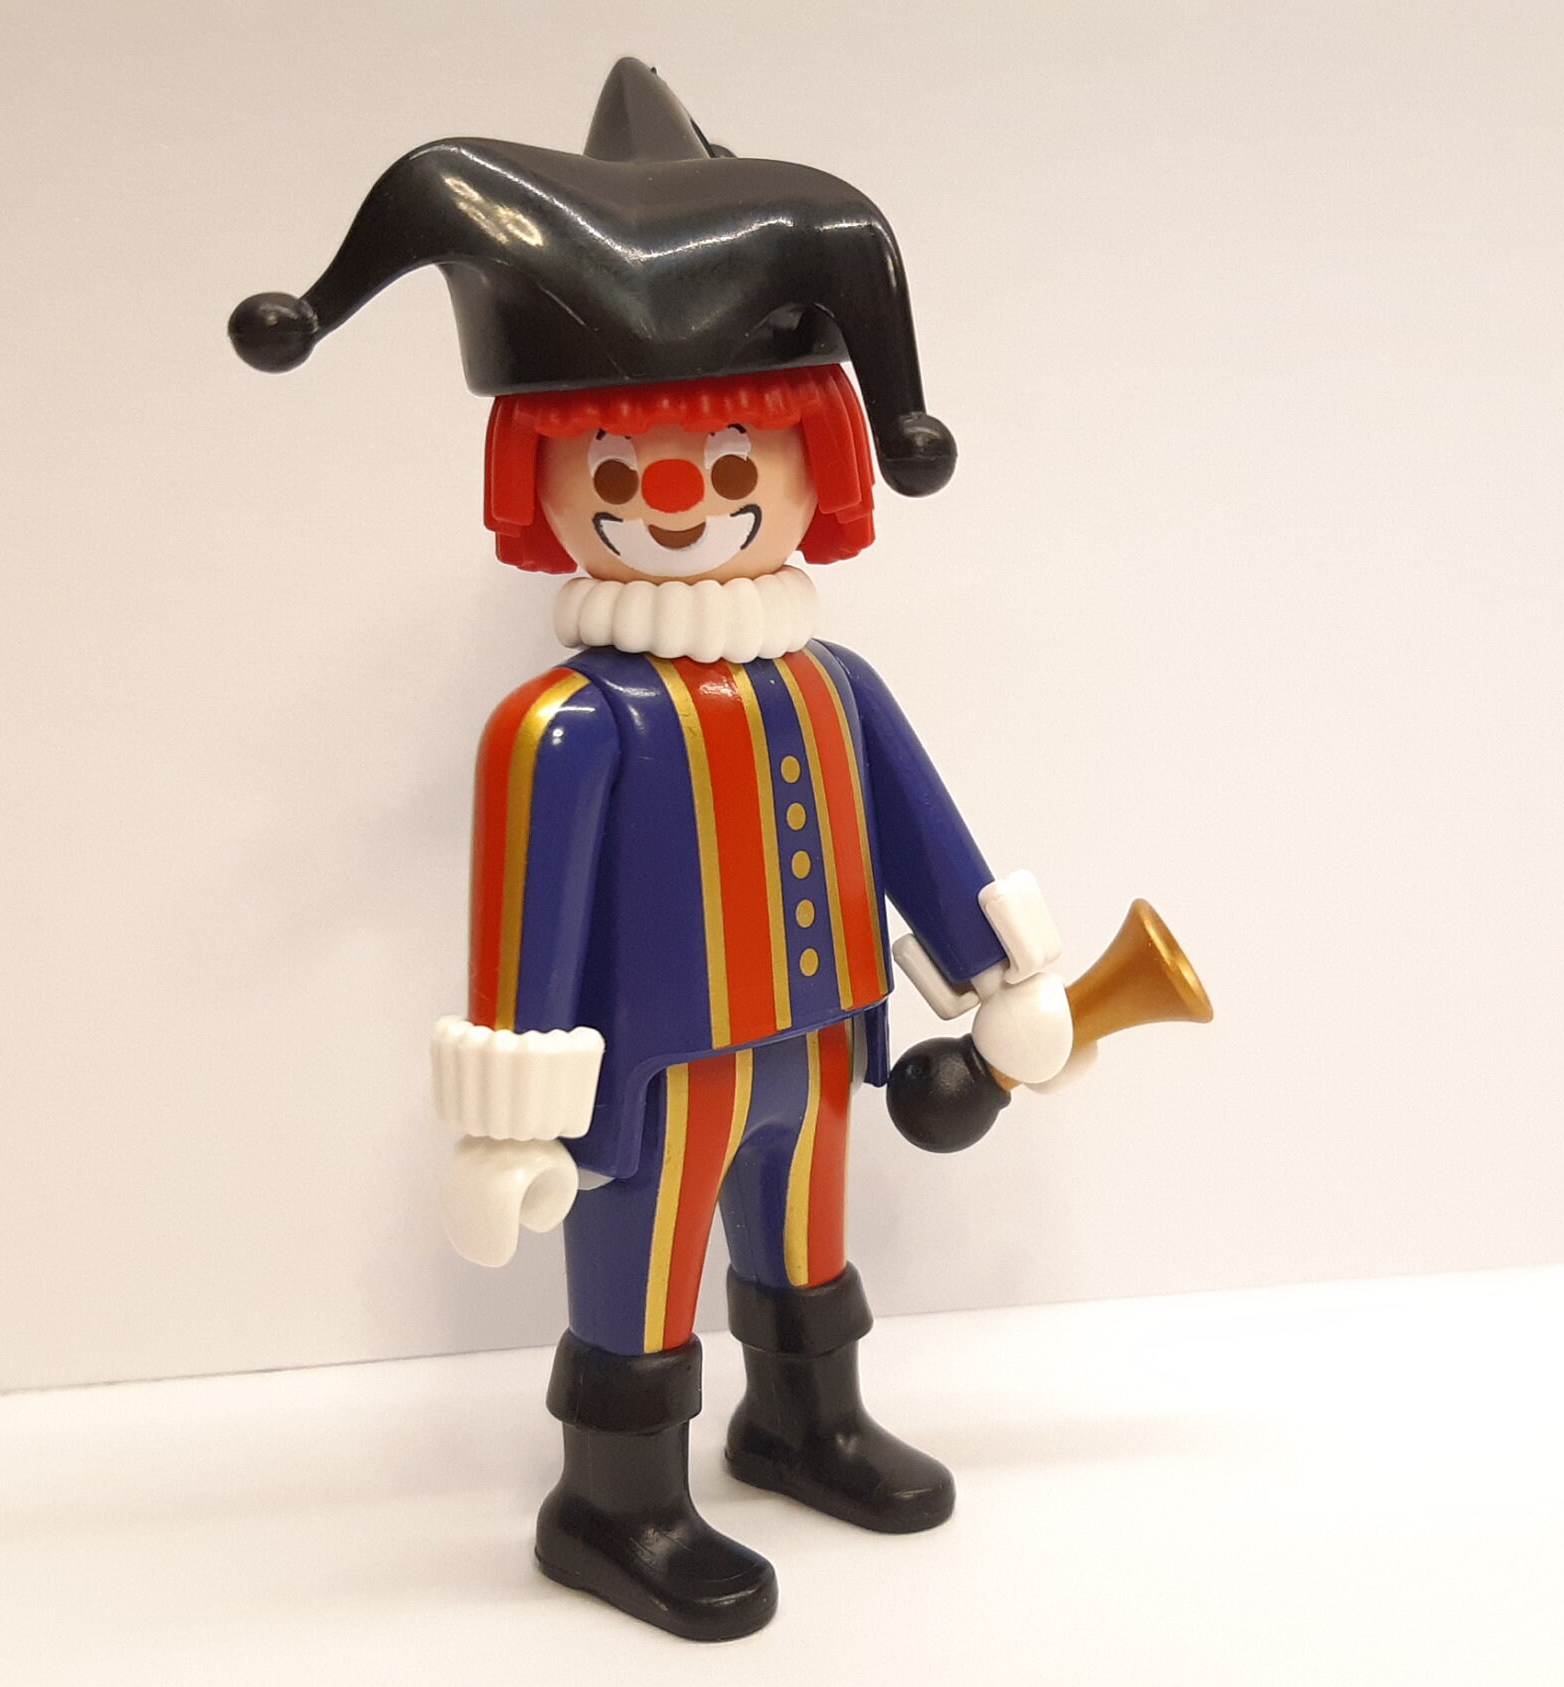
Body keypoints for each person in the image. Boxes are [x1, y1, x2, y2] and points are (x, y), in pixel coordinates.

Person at [230, 59, 1078, 1642]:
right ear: (541, 487)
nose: (680, 503)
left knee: (806, 1240)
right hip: (649, 1075)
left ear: (818, 471)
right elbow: (527, 928)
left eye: (732, 464)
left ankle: (806, 1420)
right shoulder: (564, 728)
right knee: (638, 1278)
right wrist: (511, 1121)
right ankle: (614, 1502)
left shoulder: (833, 688)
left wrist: (994, 977)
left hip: (819, 1041)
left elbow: (921, 834)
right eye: (618, 471)